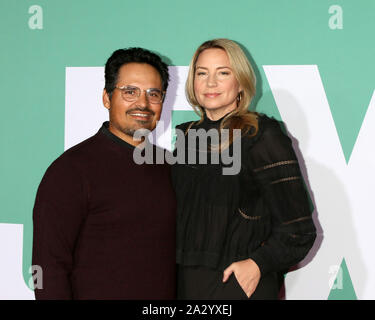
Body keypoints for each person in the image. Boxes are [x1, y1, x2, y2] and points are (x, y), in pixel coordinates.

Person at [171, 39, 317, 300]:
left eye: (223, 73)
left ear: (240, 81)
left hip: (236, 285)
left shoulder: (261, 135)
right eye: (202, 73)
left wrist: (258, 264)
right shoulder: (186, 137)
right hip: (185, 284)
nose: (210, 83)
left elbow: (299, 230)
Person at [32, 47, 176, 299]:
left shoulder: (170, 167)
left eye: (154, 94)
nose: (142, 103)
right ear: (107, 98)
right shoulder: (70, 171)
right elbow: (48, 268)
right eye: (130, 92)